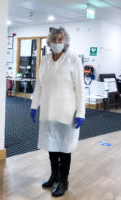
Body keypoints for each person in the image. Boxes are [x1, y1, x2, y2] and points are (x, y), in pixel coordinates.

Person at [30, 27, 85, 197]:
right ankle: (54, 175)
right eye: (54, 39)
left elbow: (80, 89)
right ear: (49, 41)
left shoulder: (73, 59)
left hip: (66, 111)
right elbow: (39, 84)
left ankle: (63, 180)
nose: (57, 42)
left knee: (64, 147)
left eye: (60, 39)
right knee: (51, 145)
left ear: (66, 41)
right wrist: (34, 105)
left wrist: (81, 113)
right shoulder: (45, 59)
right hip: (47, 109)